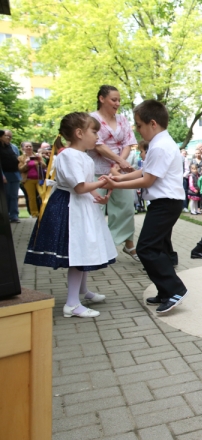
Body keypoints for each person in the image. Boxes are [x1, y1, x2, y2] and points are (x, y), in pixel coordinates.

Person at [25, 113, 115, 318]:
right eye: (94, 132)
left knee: (84, 251)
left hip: (81, 206)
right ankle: (72, 304)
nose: (97, 137)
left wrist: (98, 196)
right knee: (77, 254)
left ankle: (82, 291)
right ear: (79, 133)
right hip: (69, 209)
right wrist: (102, 184)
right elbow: (79, 186)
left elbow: (85, 185)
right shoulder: (67, 155)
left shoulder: (83, 156)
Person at [101, 100, 188, 315]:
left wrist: (116, 182)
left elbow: (147, 180)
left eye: (139, 125)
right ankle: (165, 290)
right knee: (156, 248)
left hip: (166, 203)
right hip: (165, 202)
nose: (137, 130)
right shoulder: (160, 143)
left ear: (153, 123)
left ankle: (175, 289)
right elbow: (142, 172)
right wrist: (118, 179)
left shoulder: (160, 146)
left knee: (146, 248)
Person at [87, 85, 140, 262]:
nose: (117, 103)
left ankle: (128, 244)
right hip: (97, 170)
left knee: (126, 208)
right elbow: (98, 145)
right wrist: (119, 162)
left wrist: (120, 163)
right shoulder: (91, 119)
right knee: (96, 209)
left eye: (119, 100)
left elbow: (128, 143)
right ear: (102, 99)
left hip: (119, 171)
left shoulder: (123, 119)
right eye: (113, 99)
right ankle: (97, 248)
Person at [17, 141, 46, 218]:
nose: (29, 148)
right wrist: (26, 163)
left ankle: (44, 211)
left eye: (30, 146)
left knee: (42, 194)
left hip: (39, 179)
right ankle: (34, 213)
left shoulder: (37, 156)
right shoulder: (21, 158)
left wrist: (40, 161)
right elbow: (20, 169)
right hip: (28, 180)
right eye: (27, 146)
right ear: (23, 148)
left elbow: (44, 166)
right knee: (32, 197)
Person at [0, 130, 21, 222]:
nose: (8, 138)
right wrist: (2, 175)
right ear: (1, 137)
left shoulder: (14, 147)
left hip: (15, 174)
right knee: (7, 195)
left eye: (10, 137)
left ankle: (14, 215)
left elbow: (18, 159)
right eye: (6, 136)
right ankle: (6, 215)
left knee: (14, 196)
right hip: (5, 174)